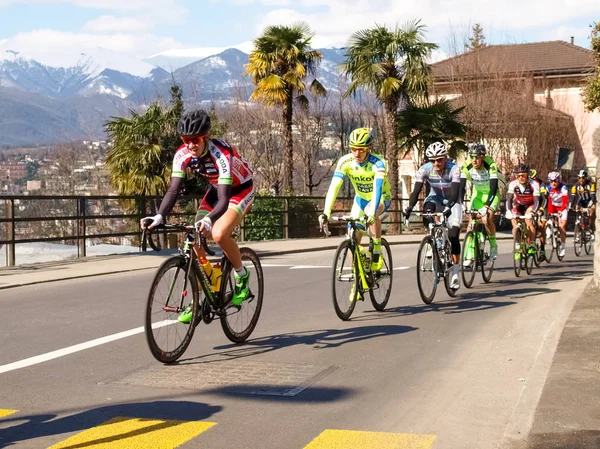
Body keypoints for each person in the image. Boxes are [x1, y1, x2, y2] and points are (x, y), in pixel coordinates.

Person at [140, 109, 254, 321]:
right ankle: (205, 289)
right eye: (186, 140)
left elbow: (224, 200)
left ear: (206, 137)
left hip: (239, 190)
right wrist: (159, 216)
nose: (191, 145)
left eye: (196, 140)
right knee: (194, 235)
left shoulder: (221, 155)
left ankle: (241, 276)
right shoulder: (182, 154)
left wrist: (210, 219)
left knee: (219, 234)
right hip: (216, 188)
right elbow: (173, 190)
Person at [320, 127, 391, 273]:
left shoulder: (378, 163)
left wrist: (371, 214)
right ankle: (357, 278)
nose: (357, 153)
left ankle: (377, 249)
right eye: (354, 149)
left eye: (361, 149)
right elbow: (334, 187)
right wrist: (326, 212)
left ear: (368, 148)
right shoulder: (345, 162)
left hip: (380, 197)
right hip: (360, 200)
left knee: (372, 211)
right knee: (353, 236)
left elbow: (377, 189)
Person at [403, 142, 462, 290]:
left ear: (445, 158)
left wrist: (449, 206)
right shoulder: (425, 169)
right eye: (432, 160)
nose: (436, 163)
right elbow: (416, 191)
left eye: (439, 160)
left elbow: (455, 193)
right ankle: (434, 241)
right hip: (435, 198)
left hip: (452, 200)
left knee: (454, 235)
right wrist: (409, 207)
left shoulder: (454, 169)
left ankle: (455, 273)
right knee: (428, 212)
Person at [459, 143, 500, 263]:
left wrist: (487, 206)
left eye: (477, 157)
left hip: (491, 195)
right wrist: (460, 203)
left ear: (482, 157)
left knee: (486, 219)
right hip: (477, 195)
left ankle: (493, 246)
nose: (474, 160)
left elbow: (493, 188)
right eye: (472, 157)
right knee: (471, 224)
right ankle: (469, 255)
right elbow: (461, 187)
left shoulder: (491, 165)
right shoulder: (466, 166)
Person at [505, 164, 540, 259]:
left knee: (528, 221)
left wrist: (533, 212)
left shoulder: (534, 184)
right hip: (519, 204)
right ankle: (517, 245)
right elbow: (509, 199)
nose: (521, 178)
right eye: (518, 176)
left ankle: (532, 243)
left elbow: (537, 200)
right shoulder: (513, 184)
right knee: (514, 222)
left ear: (528, 175)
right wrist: (508, 210)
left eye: (523, 175)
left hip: (530, 204)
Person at [545, 171, 569, 256]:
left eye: (555, 181)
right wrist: (549, 213)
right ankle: (550, 231)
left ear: (558, 181)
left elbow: (565, 201)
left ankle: (562, 247)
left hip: (562, 207)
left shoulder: (563, 188)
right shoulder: (548, 188)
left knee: (562, 226)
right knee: (547, 220)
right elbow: (547, 201)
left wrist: (561, 211)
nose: (553, 183)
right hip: (553, 206)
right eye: (551, 181)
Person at [569, 169, 596, 239]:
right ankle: (578, 234)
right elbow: (572, 197)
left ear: (586, 178)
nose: (581, 180)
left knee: (591, 214)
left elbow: (593, 198)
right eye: (579, 178)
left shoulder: (591, 185)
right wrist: (570, 206)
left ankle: (591, 230)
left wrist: (589, 207)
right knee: (578, 217)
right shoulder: (575, 186)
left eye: (583, 178)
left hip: (590, 201)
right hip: (581, 201)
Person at [530, 168, 549, 260]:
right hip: (531, 205)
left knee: (541, 226)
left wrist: (541, 209)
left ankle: (542, 249)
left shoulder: (541, 184)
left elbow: (544, 199)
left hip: (542, 205)